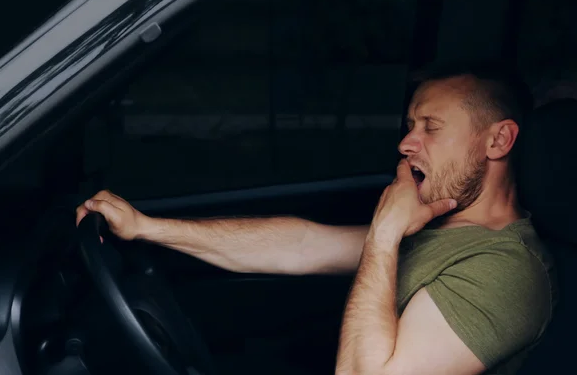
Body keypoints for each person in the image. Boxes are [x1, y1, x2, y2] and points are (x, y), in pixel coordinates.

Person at [76, 62, 555, 375]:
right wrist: (146, 227)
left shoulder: (507, 270)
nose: (407, 144)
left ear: (498, 142)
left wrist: (385, 233)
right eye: (410, 126)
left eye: (431, 128)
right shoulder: (442, 231)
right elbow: (300, 246)